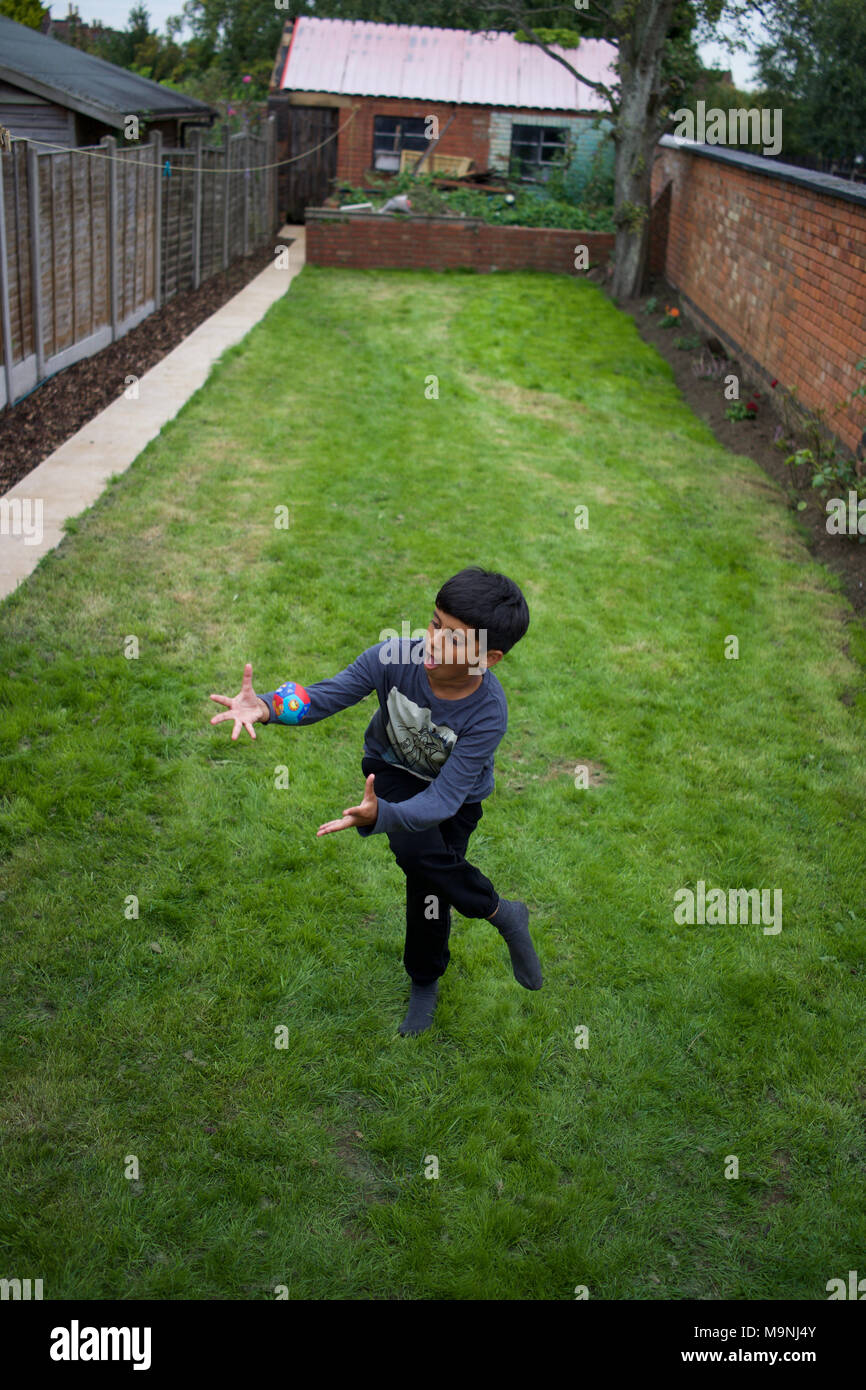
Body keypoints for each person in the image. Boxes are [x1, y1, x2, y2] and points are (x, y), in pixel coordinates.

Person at [208, 566, 542, 1036]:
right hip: (392, 772)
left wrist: (383, 817)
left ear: (489, 658)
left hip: (455, 801)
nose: (434, 643)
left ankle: (427, 979)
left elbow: (446, 798)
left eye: (454, 640)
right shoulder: (393, 657)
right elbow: (325, 694)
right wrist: (267, 707)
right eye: (435, 625)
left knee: (428, 885)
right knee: (415, 851)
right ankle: (497, 911)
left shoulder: (488, 712)